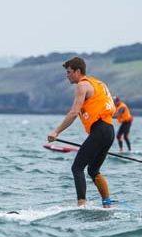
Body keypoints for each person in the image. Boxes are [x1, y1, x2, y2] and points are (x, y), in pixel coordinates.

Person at [47, 57, 116, 208]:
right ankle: (107, 205)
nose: (67, 75)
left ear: (78, 71)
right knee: (93, 170)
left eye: (69, 72)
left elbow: (73, 113)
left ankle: (81, 206)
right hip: (109, 130)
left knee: (77, 167)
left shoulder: (82, 85)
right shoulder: (98, 83)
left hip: (100, 130)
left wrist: (56, 132)